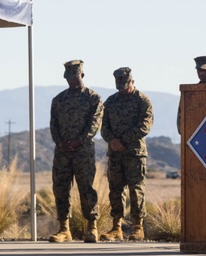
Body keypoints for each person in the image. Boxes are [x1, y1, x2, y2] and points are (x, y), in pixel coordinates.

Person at [48, 60, 103, 243]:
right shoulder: (59, 100)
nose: (71, 81)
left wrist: (78, 141)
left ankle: (91, 227)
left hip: (83, 151)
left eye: (75, 77)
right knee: (61, 188)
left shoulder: (93, 98)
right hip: (63, 152)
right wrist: (60, 142)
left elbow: (95, 124)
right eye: (69, 78)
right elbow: (53, 125)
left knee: (86, 188)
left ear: (82, 75)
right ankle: (64, 229)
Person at [101, 67, 154, 241]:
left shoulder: (142, 101)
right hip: (115, 154)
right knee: (115, 190)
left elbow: (144, 126)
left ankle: (137, 227)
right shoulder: (110, 102)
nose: (123, 89)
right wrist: (112, 141)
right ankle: (116, 227)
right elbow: (104, 127)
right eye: (120, 86)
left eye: (125, 85)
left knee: (136, 189)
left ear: (132, 81)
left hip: (135, 153)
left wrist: (122, 141)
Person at [176, 55, 206, 137]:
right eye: (199, 70)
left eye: (205, 70)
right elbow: (181, 119)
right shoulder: (190, 94)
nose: (201, 73)